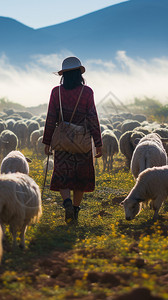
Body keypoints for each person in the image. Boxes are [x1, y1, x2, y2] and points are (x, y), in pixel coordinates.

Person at [42, 56, 102, 224]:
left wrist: (47, 141)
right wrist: (98, 143)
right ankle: (75, 211)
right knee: (80, 178)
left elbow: (51, 118)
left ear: (63, 75)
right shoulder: (87, 92)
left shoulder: (56, 92)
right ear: (79, 74)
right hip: (82, 142)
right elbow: (92, 118)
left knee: (63, 175)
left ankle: (66, 202)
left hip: (62, 141)